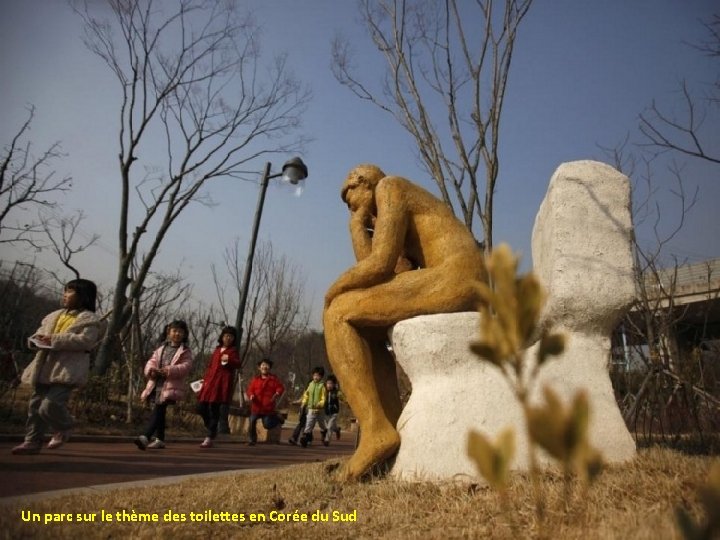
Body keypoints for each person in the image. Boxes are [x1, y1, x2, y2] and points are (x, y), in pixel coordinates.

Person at [324, 164, 488, 480]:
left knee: (338, 312)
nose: (350, 208)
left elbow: (380, 266)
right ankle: (385, 427)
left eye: (350, 198)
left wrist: (333, 290)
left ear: (364, 183)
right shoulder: (390, 209)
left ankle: (374, 430)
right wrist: (358, 229)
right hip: (454, 278)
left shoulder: (391, 188)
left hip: (457, 276)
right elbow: (390, 277)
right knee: (360, 318)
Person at [13, 279, 105, 455]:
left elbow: (85, 341)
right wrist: (36, 341)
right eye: (65, 291)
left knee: (50, 404)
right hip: (44, 366)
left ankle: (64, 427)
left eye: (70, 292)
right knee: (35, 407)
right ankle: (32, 441)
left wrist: (54, 340)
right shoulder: (54, 315)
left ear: (83, 297)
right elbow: (40, 333)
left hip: (67, 369)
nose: (65, 295)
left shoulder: (90, 320)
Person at [135, 320, 193, 450]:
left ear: (185, 334)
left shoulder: (185, 351)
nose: (177, 334)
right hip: (157, 383)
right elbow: (152, 361)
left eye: (180, 332)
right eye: (174, 331)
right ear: (168, 332)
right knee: (159, 409)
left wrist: (169, 370)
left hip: (171, 385)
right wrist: (152, 370)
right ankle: (160, 439)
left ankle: (146, 436)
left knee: (159, 408)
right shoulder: (161, 348)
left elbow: (186, 367)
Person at [196, 326, 241, 448]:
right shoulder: (217, 350)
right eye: (226, 335)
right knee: (201, 407)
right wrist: (204, 380)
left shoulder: (233, 351)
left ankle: (209, 436)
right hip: (209, 383)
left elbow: (237, 364)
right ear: (222, 337)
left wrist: (229, 359)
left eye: (231, 336)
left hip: (221, 384)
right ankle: (211, 427)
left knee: (214, 408)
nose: (228, 338)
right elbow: (210, 366)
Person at [246, 359, 285, 446]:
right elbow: (249, 390)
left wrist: (277, 393)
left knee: (267, 425)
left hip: (268, 408)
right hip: (256, 407)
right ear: (259, 368)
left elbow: (280, 388)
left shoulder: (273, 379)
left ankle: (278, 418)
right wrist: (251, 395)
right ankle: (252, 440)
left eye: (267, 365)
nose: (264, 367)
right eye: (263, 365)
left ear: (269, 368)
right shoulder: (255, 379)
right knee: (252, 421)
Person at [299, 366, 327, 447]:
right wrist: (304, 402)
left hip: (320, 410)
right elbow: (306, 395)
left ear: (321, 376)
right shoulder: (310, 384)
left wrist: (320, 404)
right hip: (311, 408)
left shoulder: (322, 386)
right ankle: (305, 438)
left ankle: (324, 433)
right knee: (309, 423)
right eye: (314, 375)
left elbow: (323, 398)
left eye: (318, 375)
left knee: (321, 424)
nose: (316, 377)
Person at [322, 375, 343, 445]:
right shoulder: (324, 391)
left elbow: (342, 398)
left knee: (329, 426)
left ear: (334, 384)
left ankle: (327, 440)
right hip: (326, 412)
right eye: (328, 383)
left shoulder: (336, 392)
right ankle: (337, 430)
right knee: (332, 426)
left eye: (331, 383)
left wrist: (347, 402)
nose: (329, 385)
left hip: (334, 412)